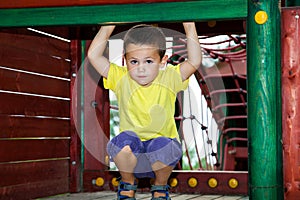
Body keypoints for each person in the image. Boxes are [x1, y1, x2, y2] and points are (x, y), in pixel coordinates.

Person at [88, 22, 202, 200]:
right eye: (134, 61)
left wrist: (189, 26)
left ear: (162, 61)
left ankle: (160, 186)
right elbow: (94, 56)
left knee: (163, 145)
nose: (141, 68)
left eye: (148, 61)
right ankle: (128, 182)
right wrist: (109, 25)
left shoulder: (170, 76)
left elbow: (194, 61)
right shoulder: (121, 77)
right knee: (122, 143)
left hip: (161, 155)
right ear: (126, 61)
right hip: (132, 156)